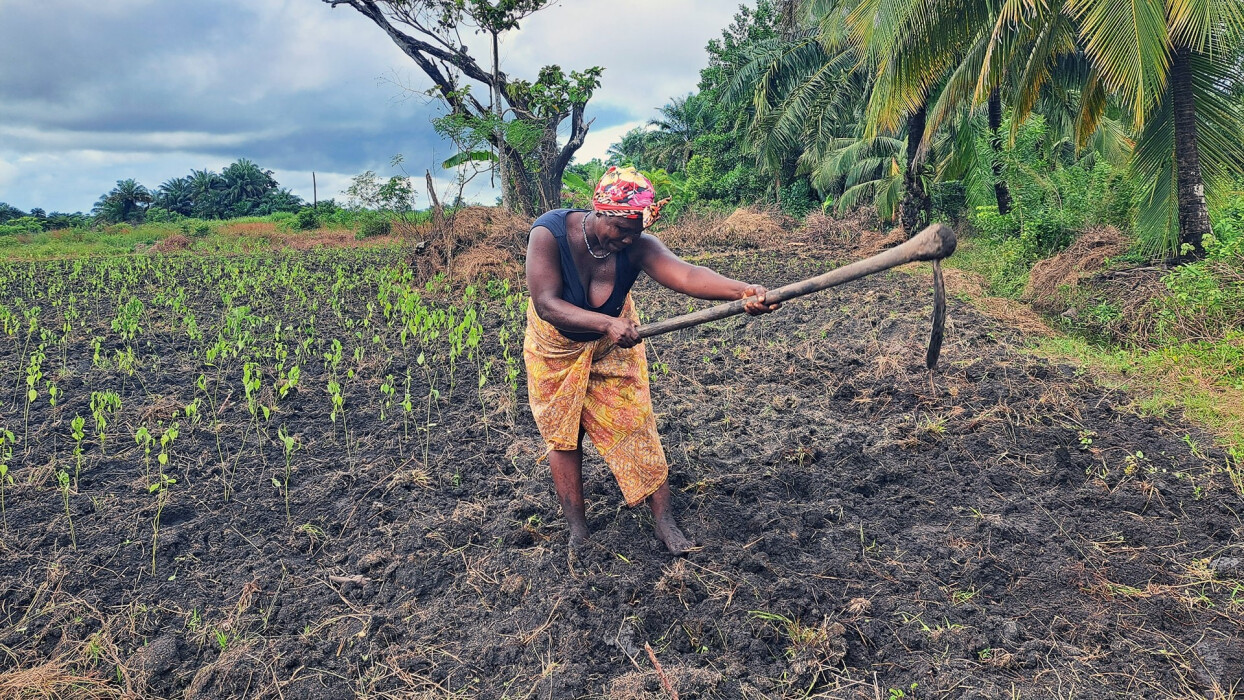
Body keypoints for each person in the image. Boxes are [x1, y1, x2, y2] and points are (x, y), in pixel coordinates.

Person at [523, 166, 779, 554]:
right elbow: (546, 303)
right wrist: (606, 323)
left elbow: (688, 276)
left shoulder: (638, 245)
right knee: (563, 435)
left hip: (613, 345)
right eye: (621, 228)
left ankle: (664, 522)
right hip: (555, 348)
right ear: (600, 210)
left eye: (636, 231)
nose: (628, 238)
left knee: (636, 421)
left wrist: (743, 291)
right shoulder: (549, 233)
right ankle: (578, 530)